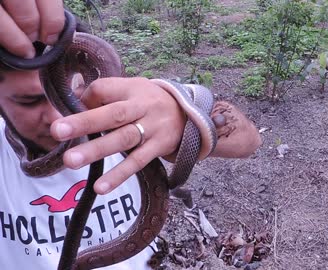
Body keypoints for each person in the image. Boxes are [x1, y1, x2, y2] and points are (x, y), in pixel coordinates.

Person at [0, 1, 261, 269]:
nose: (59, 118)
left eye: (74, 91)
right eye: (29, 102)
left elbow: (250, 141)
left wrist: (180, 113)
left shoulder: (129, 116)